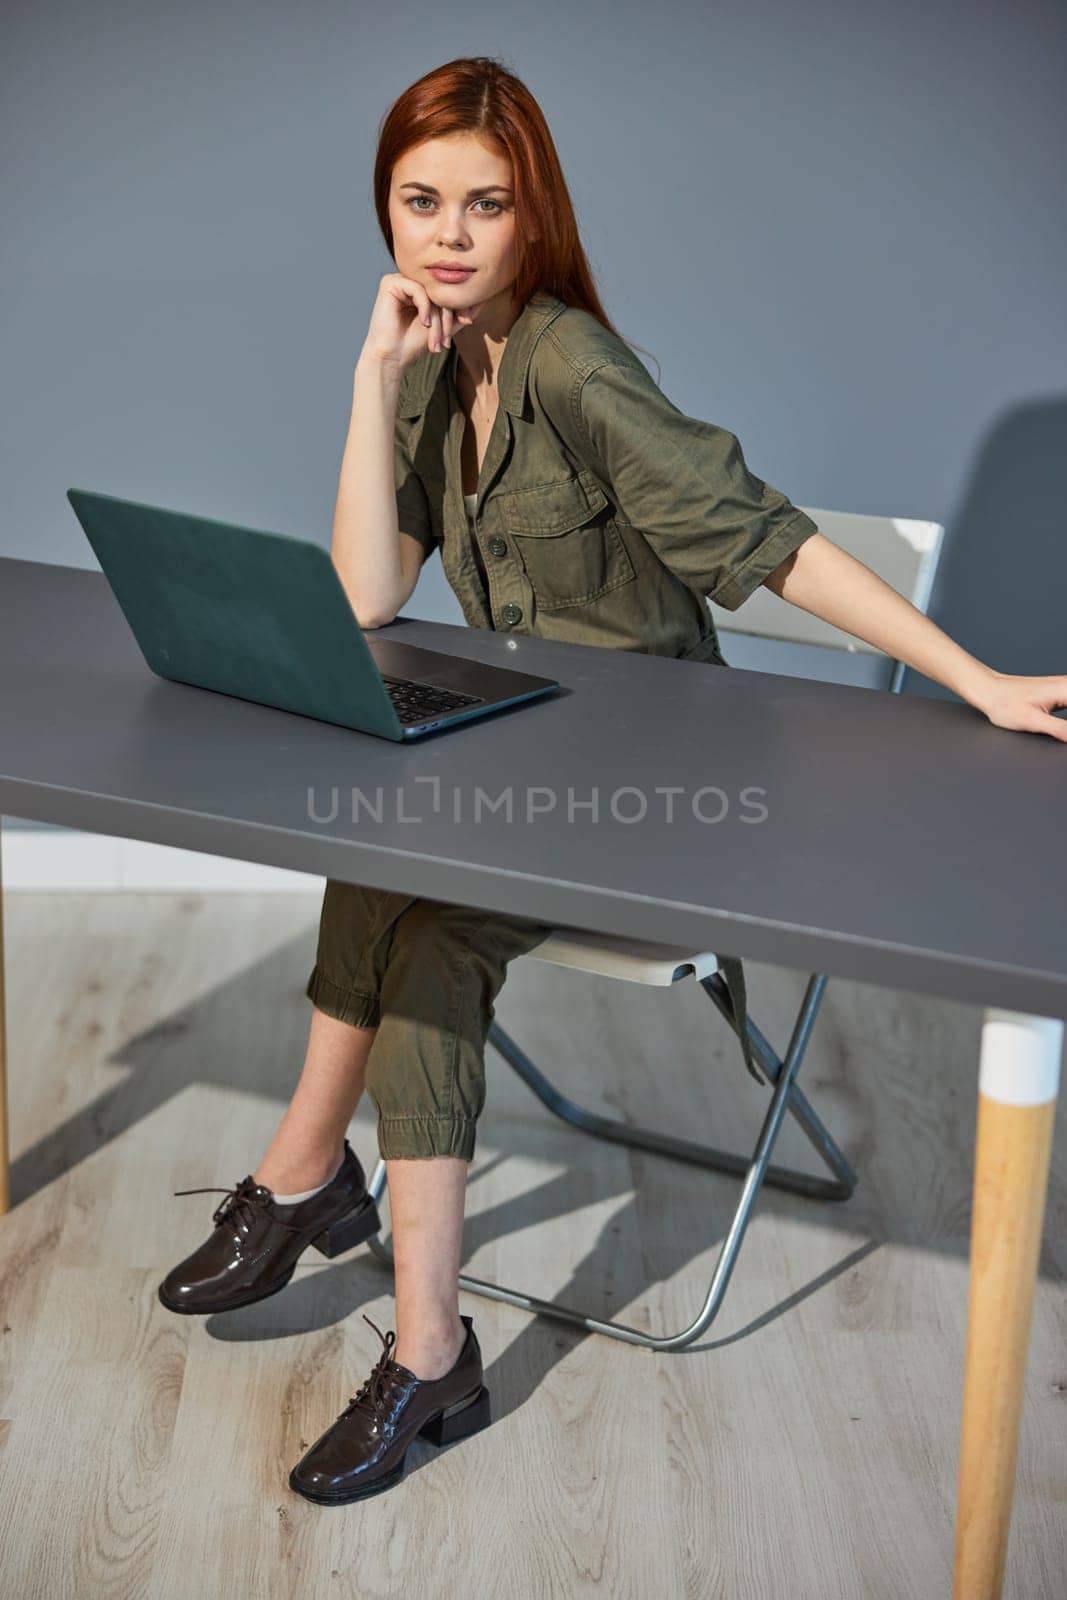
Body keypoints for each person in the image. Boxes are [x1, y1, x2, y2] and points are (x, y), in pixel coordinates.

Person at [156, 55, 1067, 1507]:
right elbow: (368, 597)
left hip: (669, 784)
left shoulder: (572, 363)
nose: (450, 235)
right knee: (371, 856)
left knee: (436, 944)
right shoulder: (429, 360)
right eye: (420, 202)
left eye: (486, 205)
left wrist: (976, 680)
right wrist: (369, 380)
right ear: (385, 212)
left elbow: (757, 535)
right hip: (523, 753)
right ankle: (306, 1181)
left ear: (535, 218)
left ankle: (422, 1341)